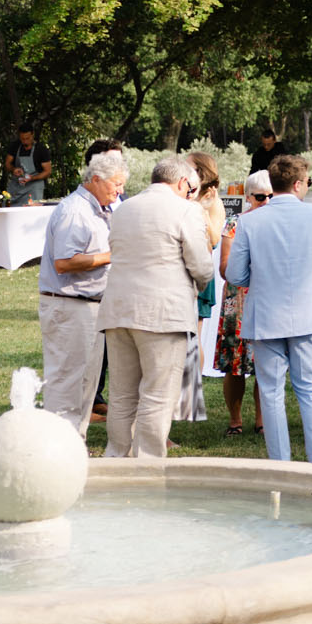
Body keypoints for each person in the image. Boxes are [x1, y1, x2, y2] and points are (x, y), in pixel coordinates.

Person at [228, 154, 312, 464]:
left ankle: (279, 461)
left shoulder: (250, 220)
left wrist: (265, 277)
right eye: (307, 182)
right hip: (308, 311)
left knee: (271, 390)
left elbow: (236, 274)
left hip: (266, 312)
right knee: (308, 384)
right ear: (297, 184)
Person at [96, 155, 215, 457]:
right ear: (182, 183)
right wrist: (199, 285)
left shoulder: (123, 209)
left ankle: (115, 458)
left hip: (118, 310)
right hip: (163, 314)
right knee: (158, 394)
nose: (192, 195)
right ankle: (147, 466)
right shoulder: (186, 210)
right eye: (192, 189)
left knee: (122, 394)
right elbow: (201, 265)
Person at [38, 149, 126, 433]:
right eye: (117, 184)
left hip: (89, 306)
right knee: (68, 381)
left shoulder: (98, 210)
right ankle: (60, 445)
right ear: (97, 179)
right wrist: (110, 256)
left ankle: (75, 443)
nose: (120, 191)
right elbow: (64, 262)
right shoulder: (75, 211)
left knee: (86, 381)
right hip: (70, 306)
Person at [216, 171, 272, 436]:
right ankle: (235, 421)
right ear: (248, 197)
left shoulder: (277, 223)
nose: (266, 201)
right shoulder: (234, 223)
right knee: (234, 365)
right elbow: (225, 268)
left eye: (272, 196)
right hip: (237, 303)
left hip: (268, 299)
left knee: (266, 362)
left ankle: (263, 421)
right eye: (261, 197)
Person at [176, 151, 227, 424]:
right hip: (179, 270)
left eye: (188, 165)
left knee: (192, 337)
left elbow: (215, 238)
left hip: (199, 273)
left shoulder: (212, 198)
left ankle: (189, 401)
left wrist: (200, 207)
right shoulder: (183, 193)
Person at [3, 123, 52, 205]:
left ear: (33, 135)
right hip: (17, 185)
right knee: (7, 207)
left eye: (27, 138)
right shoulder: (15, 146)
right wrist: (13, 169)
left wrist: (32, 178)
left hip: (34, 187)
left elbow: (48, 171)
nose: (25, 141)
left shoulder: (41, 149)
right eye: (22, 139)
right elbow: (7, 164)